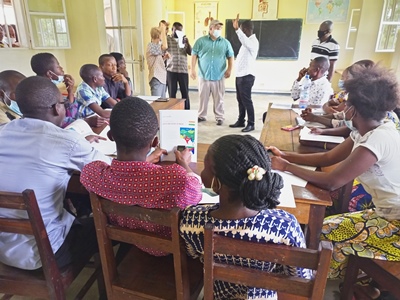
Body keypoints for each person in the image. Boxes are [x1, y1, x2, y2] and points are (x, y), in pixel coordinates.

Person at [268, 64, 400, 296]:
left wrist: (287, 167)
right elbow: (330, 156)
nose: (343, 105)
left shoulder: (377, 139)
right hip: (386, 213)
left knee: (322, 235)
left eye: (347, 102)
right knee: (325, 230)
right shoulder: (367, 129)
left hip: (396, 224)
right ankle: (365, 284)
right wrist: (285, 155)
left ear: (354, 109)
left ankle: (304, 287)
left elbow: (332, 181)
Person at [180, 134, 311, 299]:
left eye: (204, 168)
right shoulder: (285, 226)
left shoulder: (191, 220)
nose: (202, 172)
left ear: (215, 181)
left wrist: (185, 167)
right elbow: (301, 277)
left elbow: (193, 254)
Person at [0, 76, 111, 270]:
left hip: (3, 250)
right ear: (55, 108)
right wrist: (82, 144)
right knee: (108, 226)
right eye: (62, 102)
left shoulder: (3, 131)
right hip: (47, 254)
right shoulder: (65, 141)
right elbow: (107, 168)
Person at [80, 97, 202, 255]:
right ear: (154, 142)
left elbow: (102, 175)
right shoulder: (175, 177)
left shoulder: (94, 173)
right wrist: (184, 163)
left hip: (128, 241)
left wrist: (147, 160)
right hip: (167, 250)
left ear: (110, 136)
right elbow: (195, 190)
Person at [191, 19, 234, 126]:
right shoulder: (200, 41)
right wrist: (192, 69)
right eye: (217, 28)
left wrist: (229, 69)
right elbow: (194, 55)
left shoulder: (225, 43)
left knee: (219, 98)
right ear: (210, 29)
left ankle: (219, 117)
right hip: (204, 75)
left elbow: (230, 56)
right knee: (202, 97)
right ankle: (201, 116)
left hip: (219, 75)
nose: (219, 30)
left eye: (220, 28)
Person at [30, 52, 78, 127]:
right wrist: (85, 122)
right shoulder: (46, 92)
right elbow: (70, 116)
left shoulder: (43, 86)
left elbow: (69, 109)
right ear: (49, 73)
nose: (62, 69)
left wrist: (70, 90)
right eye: (58, 66)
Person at [229, 14, 259, 133]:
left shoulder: (253, 42)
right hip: (240, 75)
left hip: (247, 76)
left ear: (245, 30)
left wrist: (237, 30)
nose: (240, 32)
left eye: (241, 29)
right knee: (240, 99)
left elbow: (244, 40)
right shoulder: (246, 42)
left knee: (246, 100)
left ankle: (251, 124)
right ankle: (241, 120)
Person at [166, 22, 192, 109]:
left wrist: (187, 43)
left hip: (183, 70)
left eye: (180, 30)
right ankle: (172, 112)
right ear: (172, 30)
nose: (178, 32)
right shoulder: (168, 39)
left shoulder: (184, 40)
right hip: (171, 70)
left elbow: (190, 52)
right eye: (176, 30)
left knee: (185, 93)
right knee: (171, 94)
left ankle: (187, 112)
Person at [146, 24, 170, 98]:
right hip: (156, 77)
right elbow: (165, 46)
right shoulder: (151, 45)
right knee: (157, 103)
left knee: (162, 103)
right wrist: (162, 30)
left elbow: (156, 61)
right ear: (158, 36)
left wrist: (164, 58)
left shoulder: (156, 46)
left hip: (162, 77)